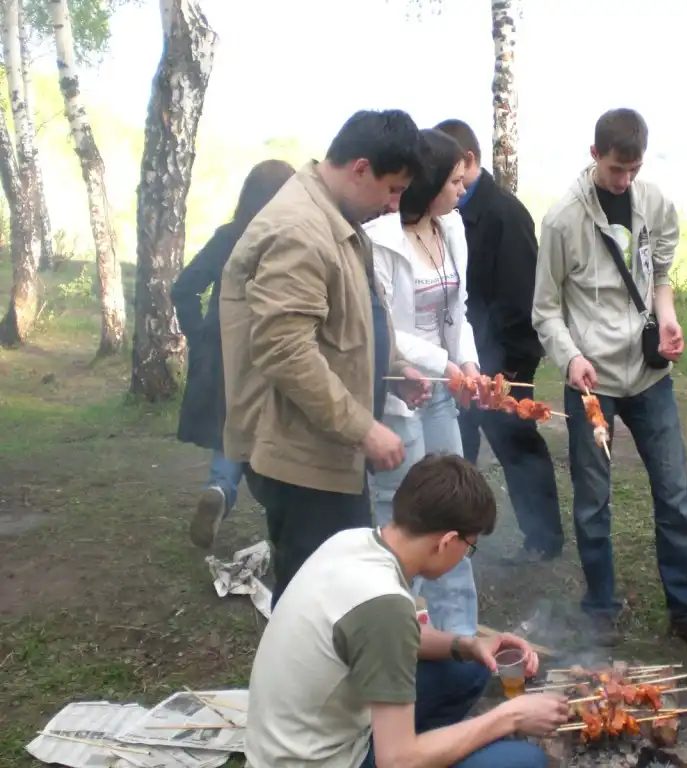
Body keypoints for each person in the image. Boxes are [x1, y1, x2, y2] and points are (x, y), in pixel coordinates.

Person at [219, 110, 431, 608]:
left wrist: (392, 369)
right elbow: (286, 350)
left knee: (338, 593)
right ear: (360, 168)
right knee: (315, 601)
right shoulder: (299, 228)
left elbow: (348, 319)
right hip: (300, 457)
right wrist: (364, 428)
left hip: (328, 448)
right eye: (393, 189)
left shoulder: (335, 217)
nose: (393, 205)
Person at [532, 108, 687, 649]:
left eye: (633, 169)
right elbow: (545, 309)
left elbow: (659, 276)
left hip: (647, 375)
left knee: (676, 493)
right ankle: (600, 607)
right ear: (595, 155)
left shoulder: (655, 203)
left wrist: (668, 321)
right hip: (590, 379)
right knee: (593, 501)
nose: (624, 180)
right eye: (616, 169)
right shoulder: (562, 220)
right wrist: (571, 358)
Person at [244, 453, 568, 768]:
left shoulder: (354, 541)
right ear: (447, 542)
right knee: (525, 762)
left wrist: (467, 645)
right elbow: (396, 761)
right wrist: (510, 716)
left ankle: (429, 745)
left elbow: (389, 639)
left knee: (469, 667)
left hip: (291, 743)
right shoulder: (384, 607)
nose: (465, 556)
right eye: (469, 547)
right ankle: (425, 749)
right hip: (322, 761)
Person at [364, 129, 481, 636]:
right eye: (454, 181)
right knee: (403, 513)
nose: (463, 188)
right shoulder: (380, 239)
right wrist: (444, 365)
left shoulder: (450, 227)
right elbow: (387, 329)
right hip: (403, 391)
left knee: (457, 508)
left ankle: (460, 635)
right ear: (430, 183)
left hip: (442, 392)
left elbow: (460, 308)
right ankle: (397, 629)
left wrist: (467, 363)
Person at [434, 118, 564, 564]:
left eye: (451, 173)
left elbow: (523, 296)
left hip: (503, 360)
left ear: (468, 161)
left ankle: (543, 538)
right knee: (457, 449)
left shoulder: (504, 214)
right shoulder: (444, 214)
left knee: (518, 446)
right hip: (460, 359)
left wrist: (511, 367)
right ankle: (455, 536)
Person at [172, 159, 295, 549]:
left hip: (224, 354)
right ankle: (284, 520)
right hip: (275, 352)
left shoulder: (229, 237)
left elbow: (184, 288)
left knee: (231, 431)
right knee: (275, 437)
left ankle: (220, 490)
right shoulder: (291, 243)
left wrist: (201, 336)